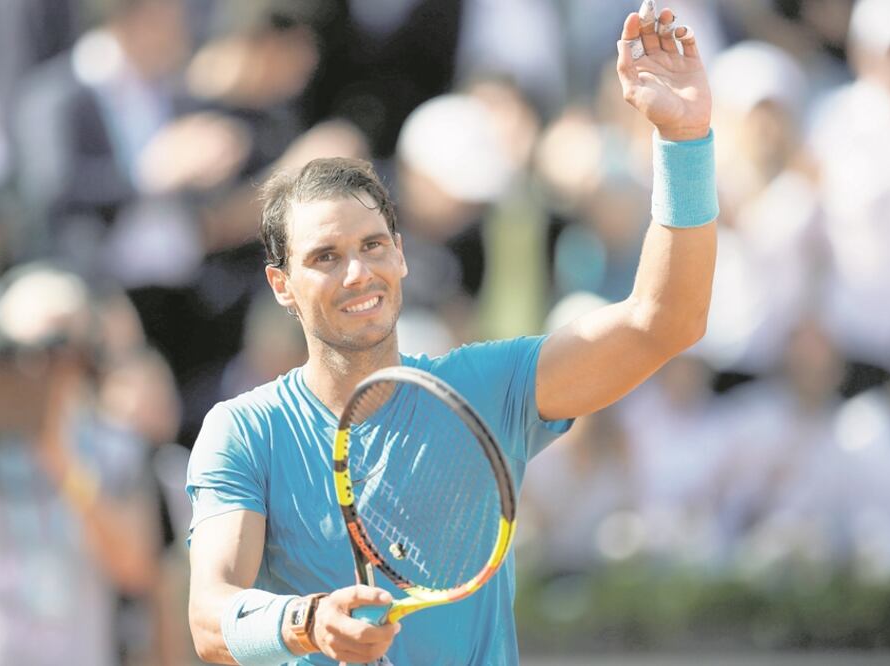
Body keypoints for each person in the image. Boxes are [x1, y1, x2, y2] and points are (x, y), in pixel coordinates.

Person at [186, 5, 717, 664]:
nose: (358, 273)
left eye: (374, 246)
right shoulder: (244, 431)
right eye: (325, 257)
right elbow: (210, 618)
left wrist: (685, 138)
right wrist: (308, 621)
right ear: (280, 285)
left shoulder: (484, 391)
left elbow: (665, 321)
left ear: (402, 256)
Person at [0, 264, 159, 666]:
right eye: (22, 354)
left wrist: (63, 461)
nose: (40, 371)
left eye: (60, 352)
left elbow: (134, 569)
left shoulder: (113, 448)